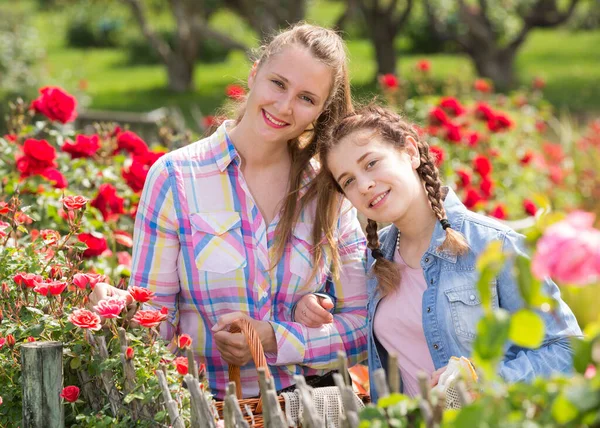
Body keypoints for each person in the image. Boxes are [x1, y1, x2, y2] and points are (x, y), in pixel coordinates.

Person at [89, 23, 369, 399]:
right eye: (278, 83)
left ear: (320, 110)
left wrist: (275, 338)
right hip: (210, 406)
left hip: (313, 405)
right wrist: (120, 309)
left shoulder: (329, 188)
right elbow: (154, 322)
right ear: (255, 74)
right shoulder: (176, 178)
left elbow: (362, 327)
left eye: (306, 98)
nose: (284, 107)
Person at [293, 104, 583, 402]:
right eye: (349, 181)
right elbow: (342, 321)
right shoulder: (372, 260)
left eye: (371, 163)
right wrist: (308, 305)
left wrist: (482, 381)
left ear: (409, 151)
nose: (365, 185)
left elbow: (569, 351)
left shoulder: (495, 246)